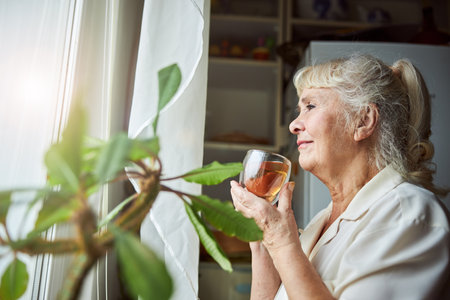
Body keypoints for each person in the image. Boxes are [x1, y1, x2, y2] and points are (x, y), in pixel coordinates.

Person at [230, 54, 450, 299]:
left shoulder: (408, 214)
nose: (294, 124)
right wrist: (262, 241)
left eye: (310, 106)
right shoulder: (322, 223)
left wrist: (281, 242)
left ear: (363, 121)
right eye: (299, 110)